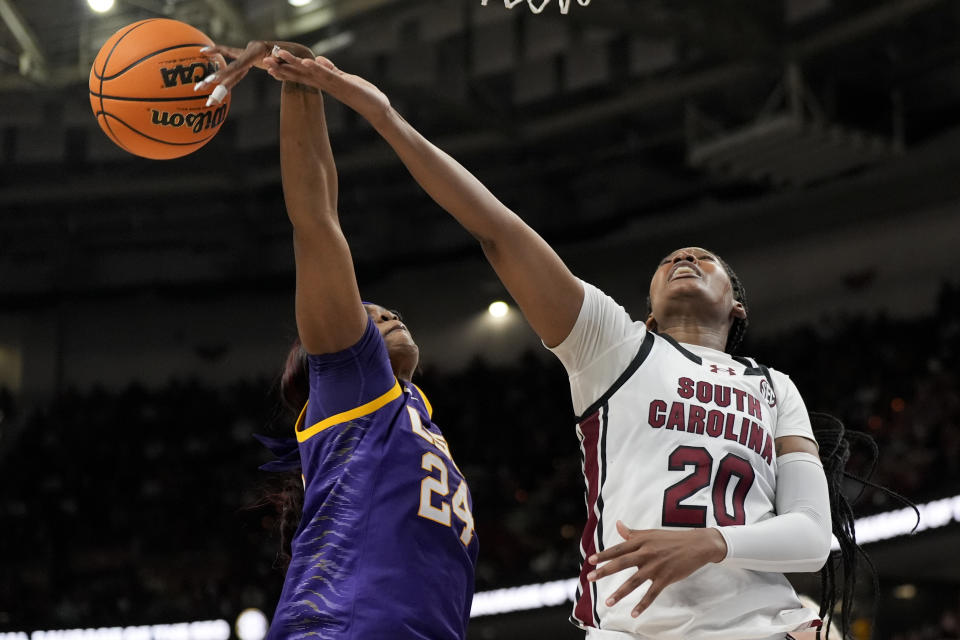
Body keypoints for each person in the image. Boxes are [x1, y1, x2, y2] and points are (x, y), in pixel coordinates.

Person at [218, 49, 882, 640]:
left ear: (739, 305)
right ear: (643, 313)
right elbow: (486, 230)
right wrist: (369, 110)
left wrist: (715, 545)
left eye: (706, 257)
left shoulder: (774, 387)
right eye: (671, 257)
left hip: (753, 618)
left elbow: (808, 538)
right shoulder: (616, 346)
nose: (686, 253)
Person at [197, 42, 478, 639]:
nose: (387, 314)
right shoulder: (353, 381)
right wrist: (299, 88)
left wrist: (297, 62)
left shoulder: (413, 410)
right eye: (369, 314)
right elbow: (316, 215)